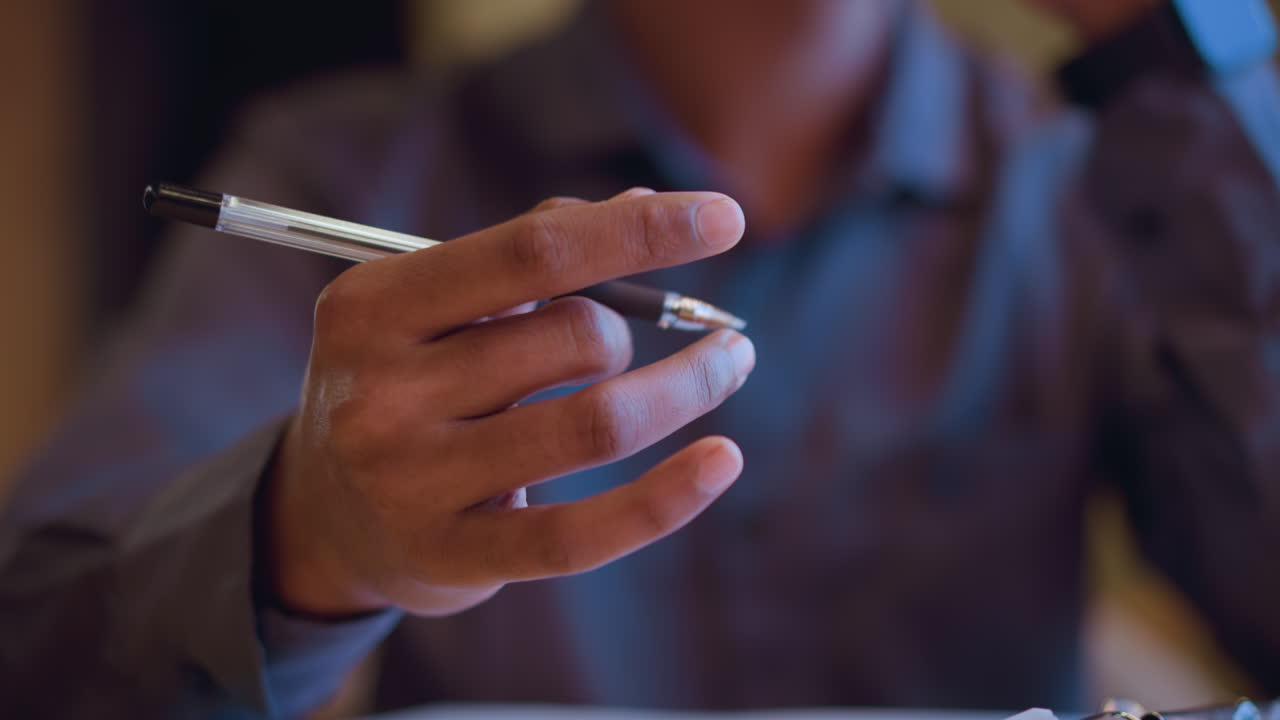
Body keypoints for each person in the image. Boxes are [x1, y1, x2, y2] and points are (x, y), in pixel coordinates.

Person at [2, 0, 1278, 717]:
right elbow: (34, 657)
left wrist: (1172, 41)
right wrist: (302, 544)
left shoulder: (1098, 187)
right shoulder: (341, 172)